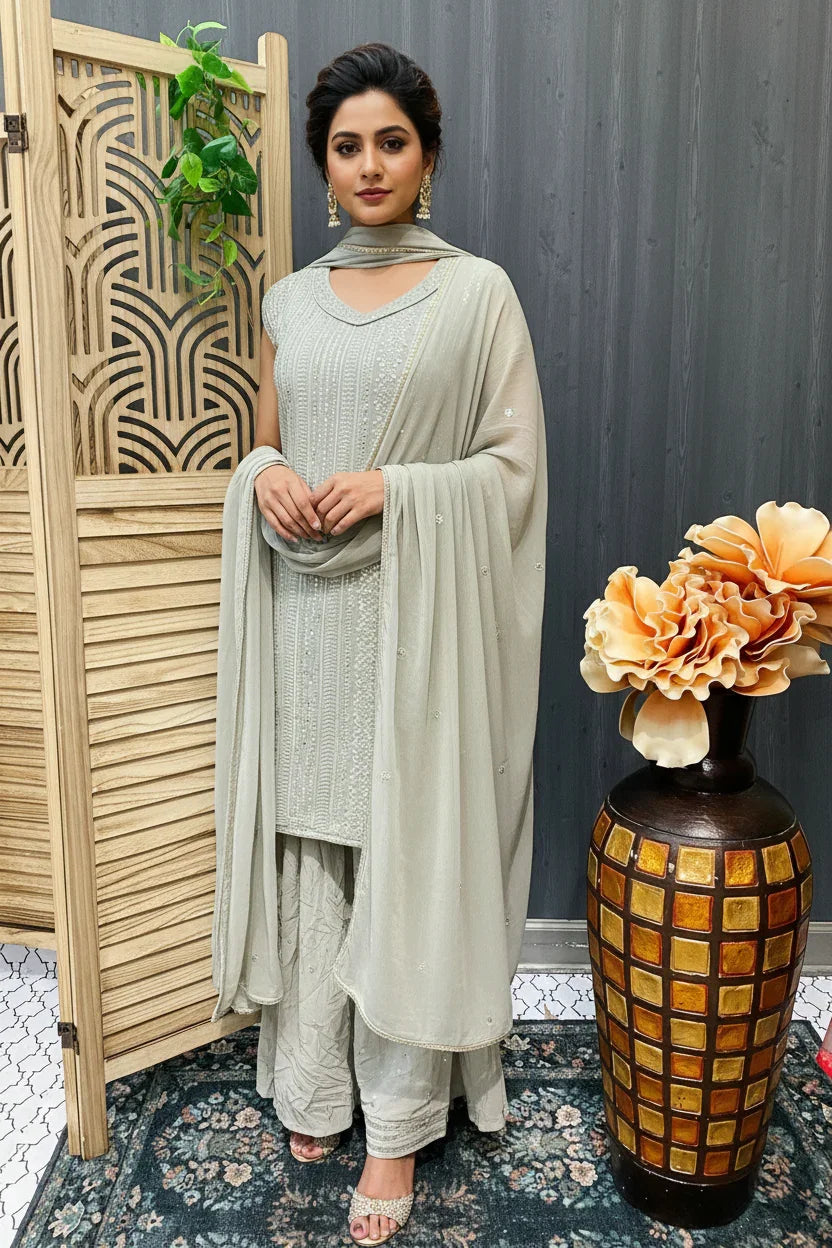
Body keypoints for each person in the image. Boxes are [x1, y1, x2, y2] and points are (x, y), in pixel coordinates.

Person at [210, 41, 548, 1246]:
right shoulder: (289, 301)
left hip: (417, 632)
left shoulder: (478, 294)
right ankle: (314, 1083)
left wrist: (399, 490)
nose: (368, 165)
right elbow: (268, 438)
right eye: (345, 145)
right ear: (322, 162)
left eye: (390, 142)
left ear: (428, 155)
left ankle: (397, 1128)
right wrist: (262, 475)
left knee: (408, 849)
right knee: (315, 848)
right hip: (307, 622)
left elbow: (510, 473)